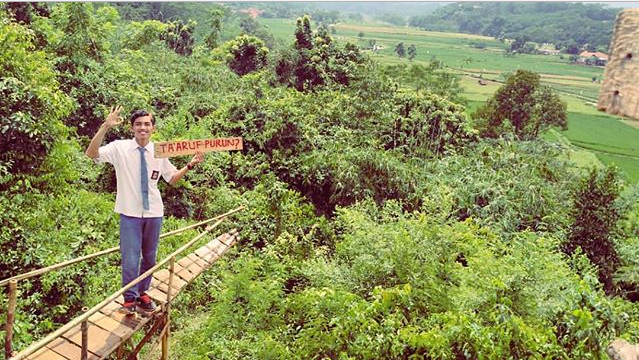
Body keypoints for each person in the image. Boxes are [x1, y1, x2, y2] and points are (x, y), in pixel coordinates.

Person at [85, 105, 204, 315]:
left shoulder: (159, 151)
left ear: (153, 128)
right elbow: (91, 153)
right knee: (130, 257)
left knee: (149, 257)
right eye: (138, 124)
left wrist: (190, 165)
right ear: (132, 128)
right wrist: (105, 126)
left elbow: (172, 178)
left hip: (154, 213)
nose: (143, 128)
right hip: (129, 213)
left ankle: (142, 292)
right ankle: (129, 300)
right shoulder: (119, 148)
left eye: (147, 124)